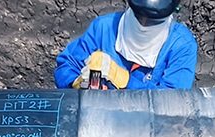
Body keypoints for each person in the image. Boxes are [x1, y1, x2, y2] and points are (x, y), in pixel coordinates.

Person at [54, 0, 197, 90]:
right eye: (139, 17)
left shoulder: (182, 46)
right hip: (97, 117)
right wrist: (76, 82)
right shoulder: (104, 28)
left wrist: (126, 81)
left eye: (152, 21)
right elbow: (66, 65)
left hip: (144, 125)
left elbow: (173, 102)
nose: (143, 25)